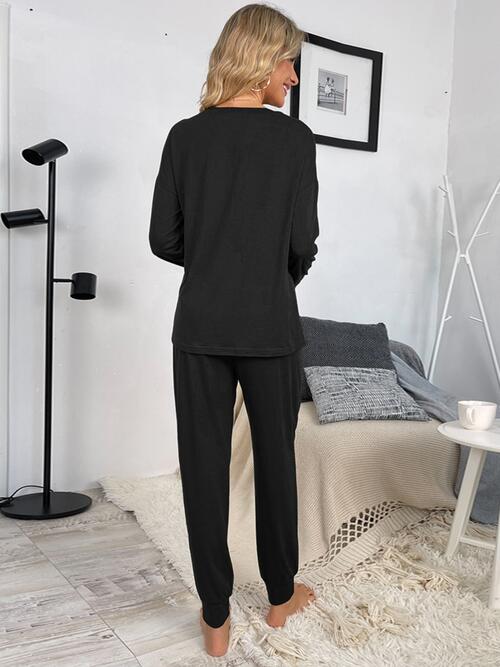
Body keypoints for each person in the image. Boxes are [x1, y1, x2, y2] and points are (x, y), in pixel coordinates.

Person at [149, 3, 320, 658]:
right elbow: (301, 242)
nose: (294, 78)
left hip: (199, 325)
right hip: (271, 325)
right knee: (277, 464)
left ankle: (215, 617)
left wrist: (215, 262)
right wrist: (270, 279)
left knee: (203, 469)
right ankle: (280, 596)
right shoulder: (294, 140)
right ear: (262, 58)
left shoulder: (184, 137)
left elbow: (164, 238)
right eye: (289, 63)